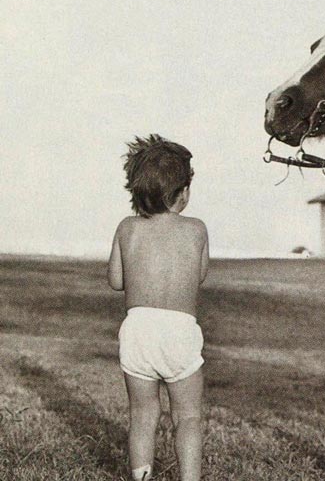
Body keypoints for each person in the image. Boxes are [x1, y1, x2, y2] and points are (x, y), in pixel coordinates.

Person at [108, 134, 209, 481]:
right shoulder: (196, 230)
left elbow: (116, 281)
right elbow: (199, 276)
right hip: (179, 330)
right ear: (183, 192)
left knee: (142, 415)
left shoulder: (127, 228)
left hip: (138, 331)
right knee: (189, 417)